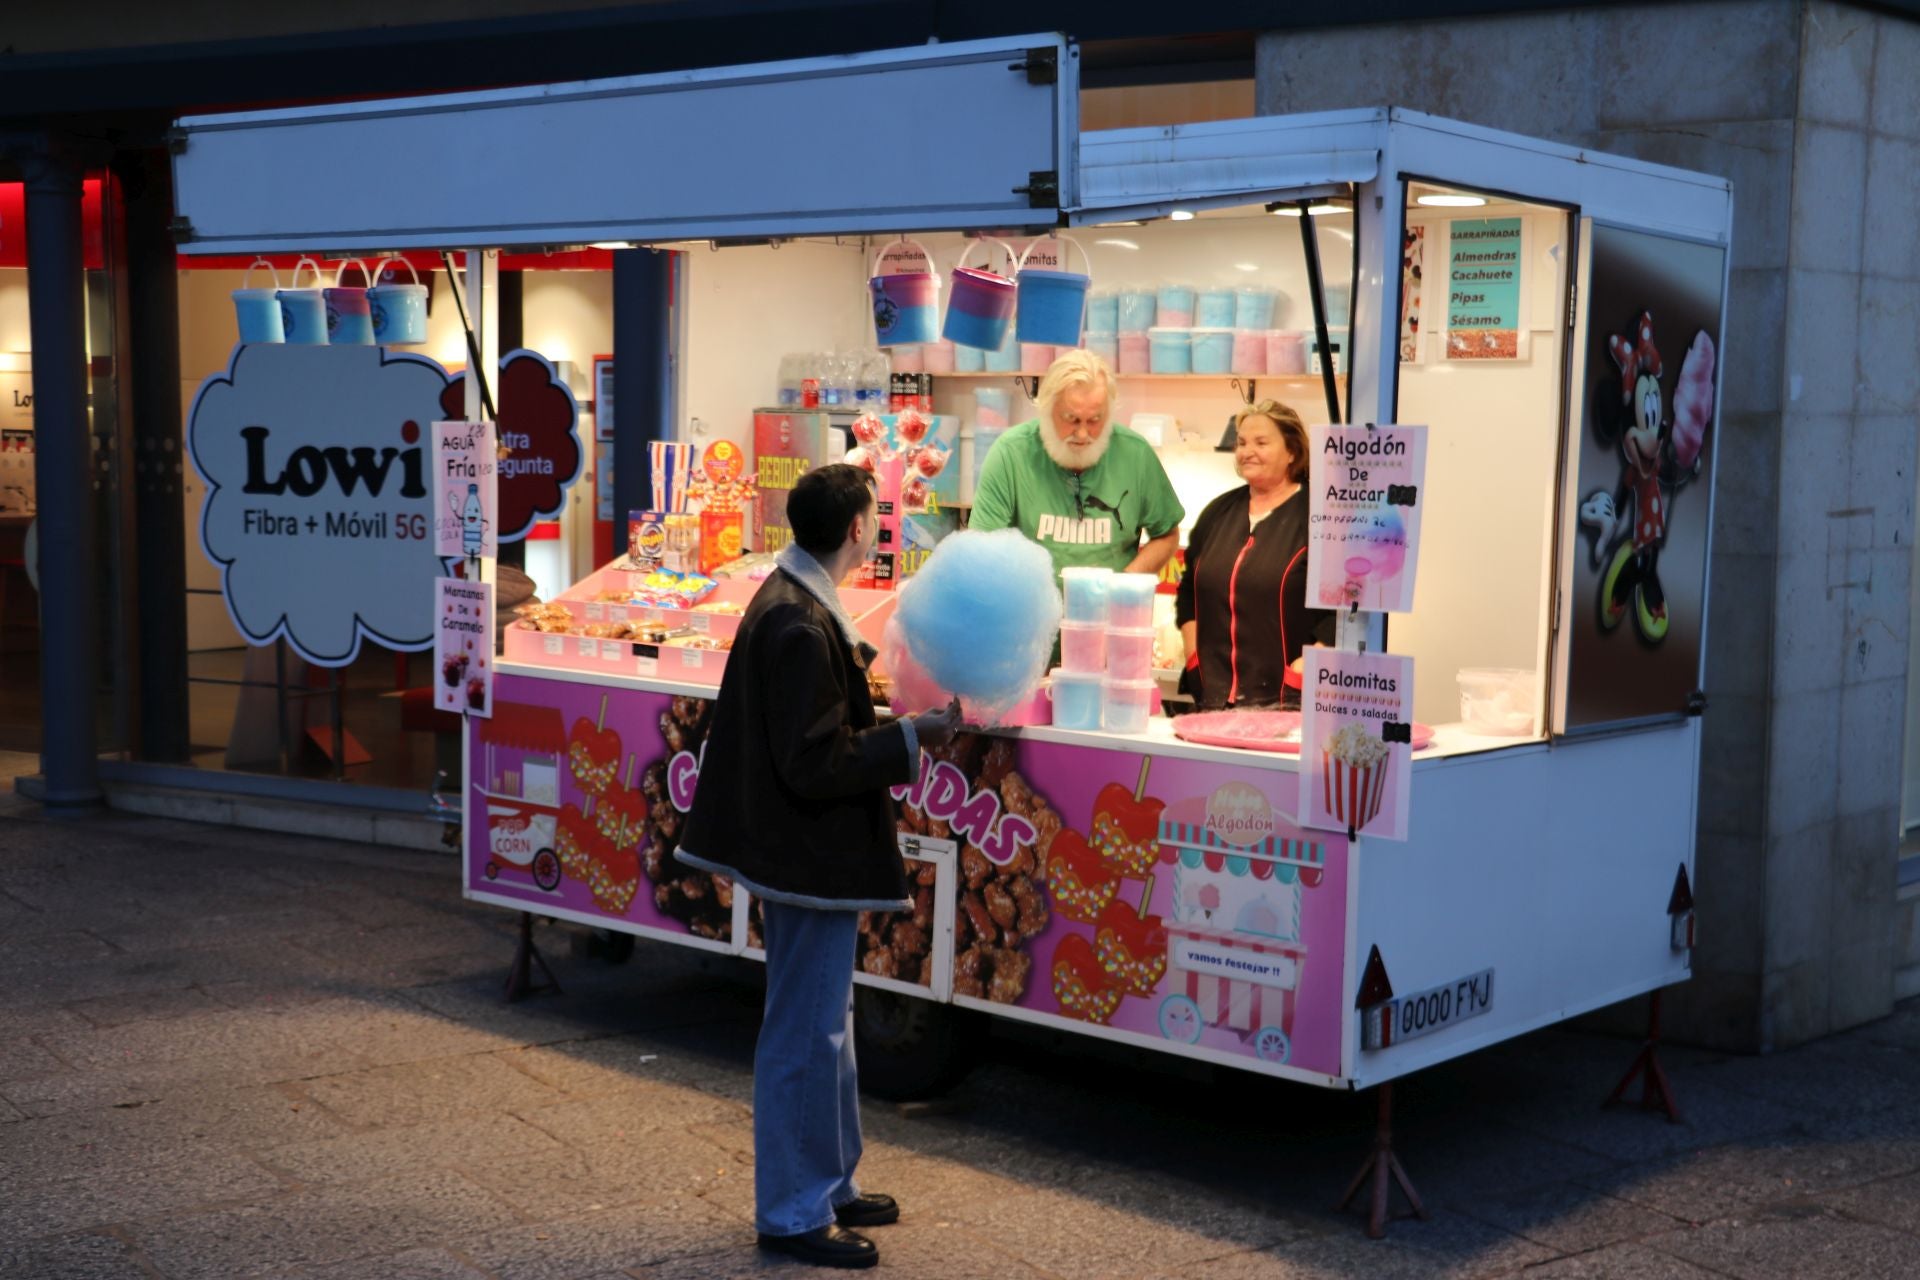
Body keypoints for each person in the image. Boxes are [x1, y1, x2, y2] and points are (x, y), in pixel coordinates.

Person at [677, 463, 961, 1270]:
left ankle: (829, 1182)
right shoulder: (798, 622)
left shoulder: (794, 597)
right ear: (855, 532)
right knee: (805, 1033)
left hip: (805, 852)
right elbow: (815, 762)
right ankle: (792, 1211)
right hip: (804, 854)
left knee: (826, 1028)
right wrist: (912, 737)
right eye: (875, 518)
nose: (878, 529)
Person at [969, 348, 1184, 578]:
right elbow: (982, 551)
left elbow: (1167, 535)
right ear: (1047, 410)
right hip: (1031, 610)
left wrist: (1122, 586)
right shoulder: (1010, 454)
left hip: (1113, 611)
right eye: (1071, 419)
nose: (1083, 434)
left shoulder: (1136, 455)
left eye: (1094, 420)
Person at [1176, 400, 1334, 709]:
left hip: (1288, 702)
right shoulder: (1218, 512)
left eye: (1261, 443)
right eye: (1242, 443)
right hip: (1214, 701)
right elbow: (1187, 592)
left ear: (1292, 452)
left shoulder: (1321, 515)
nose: (1247, 451)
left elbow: (1345, 607)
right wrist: (1193, 654)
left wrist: (1308, 666)